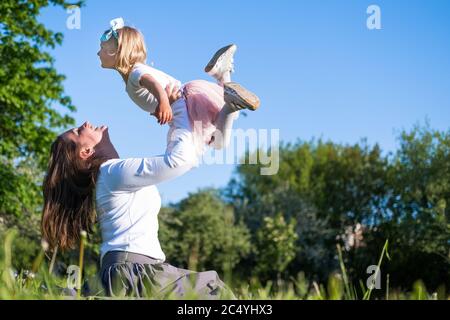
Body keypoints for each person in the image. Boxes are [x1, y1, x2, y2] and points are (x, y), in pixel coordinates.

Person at [41, 114, 236, 299]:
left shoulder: (110, 175)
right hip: (135, 272)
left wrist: (201, 136)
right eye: (77, 132)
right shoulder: (112, 172)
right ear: (86, 152)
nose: (84, 124)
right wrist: (180, 112)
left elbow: (184, 160)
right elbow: (178, 161)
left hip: (131, 269)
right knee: (214, 291)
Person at [97, 18, 260, 178]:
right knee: (218, 138)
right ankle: (223, 74)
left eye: (102, 48)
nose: (98, 53)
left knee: (218, 142)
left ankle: (230, 102)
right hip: (186, 100)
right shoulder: (135, 73)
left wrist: (164, 104)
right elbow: (152, 91)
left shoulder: (135, 73)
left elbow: (155, 85)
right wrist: (159, 107)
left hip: (183, 106)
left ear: (117, 52)